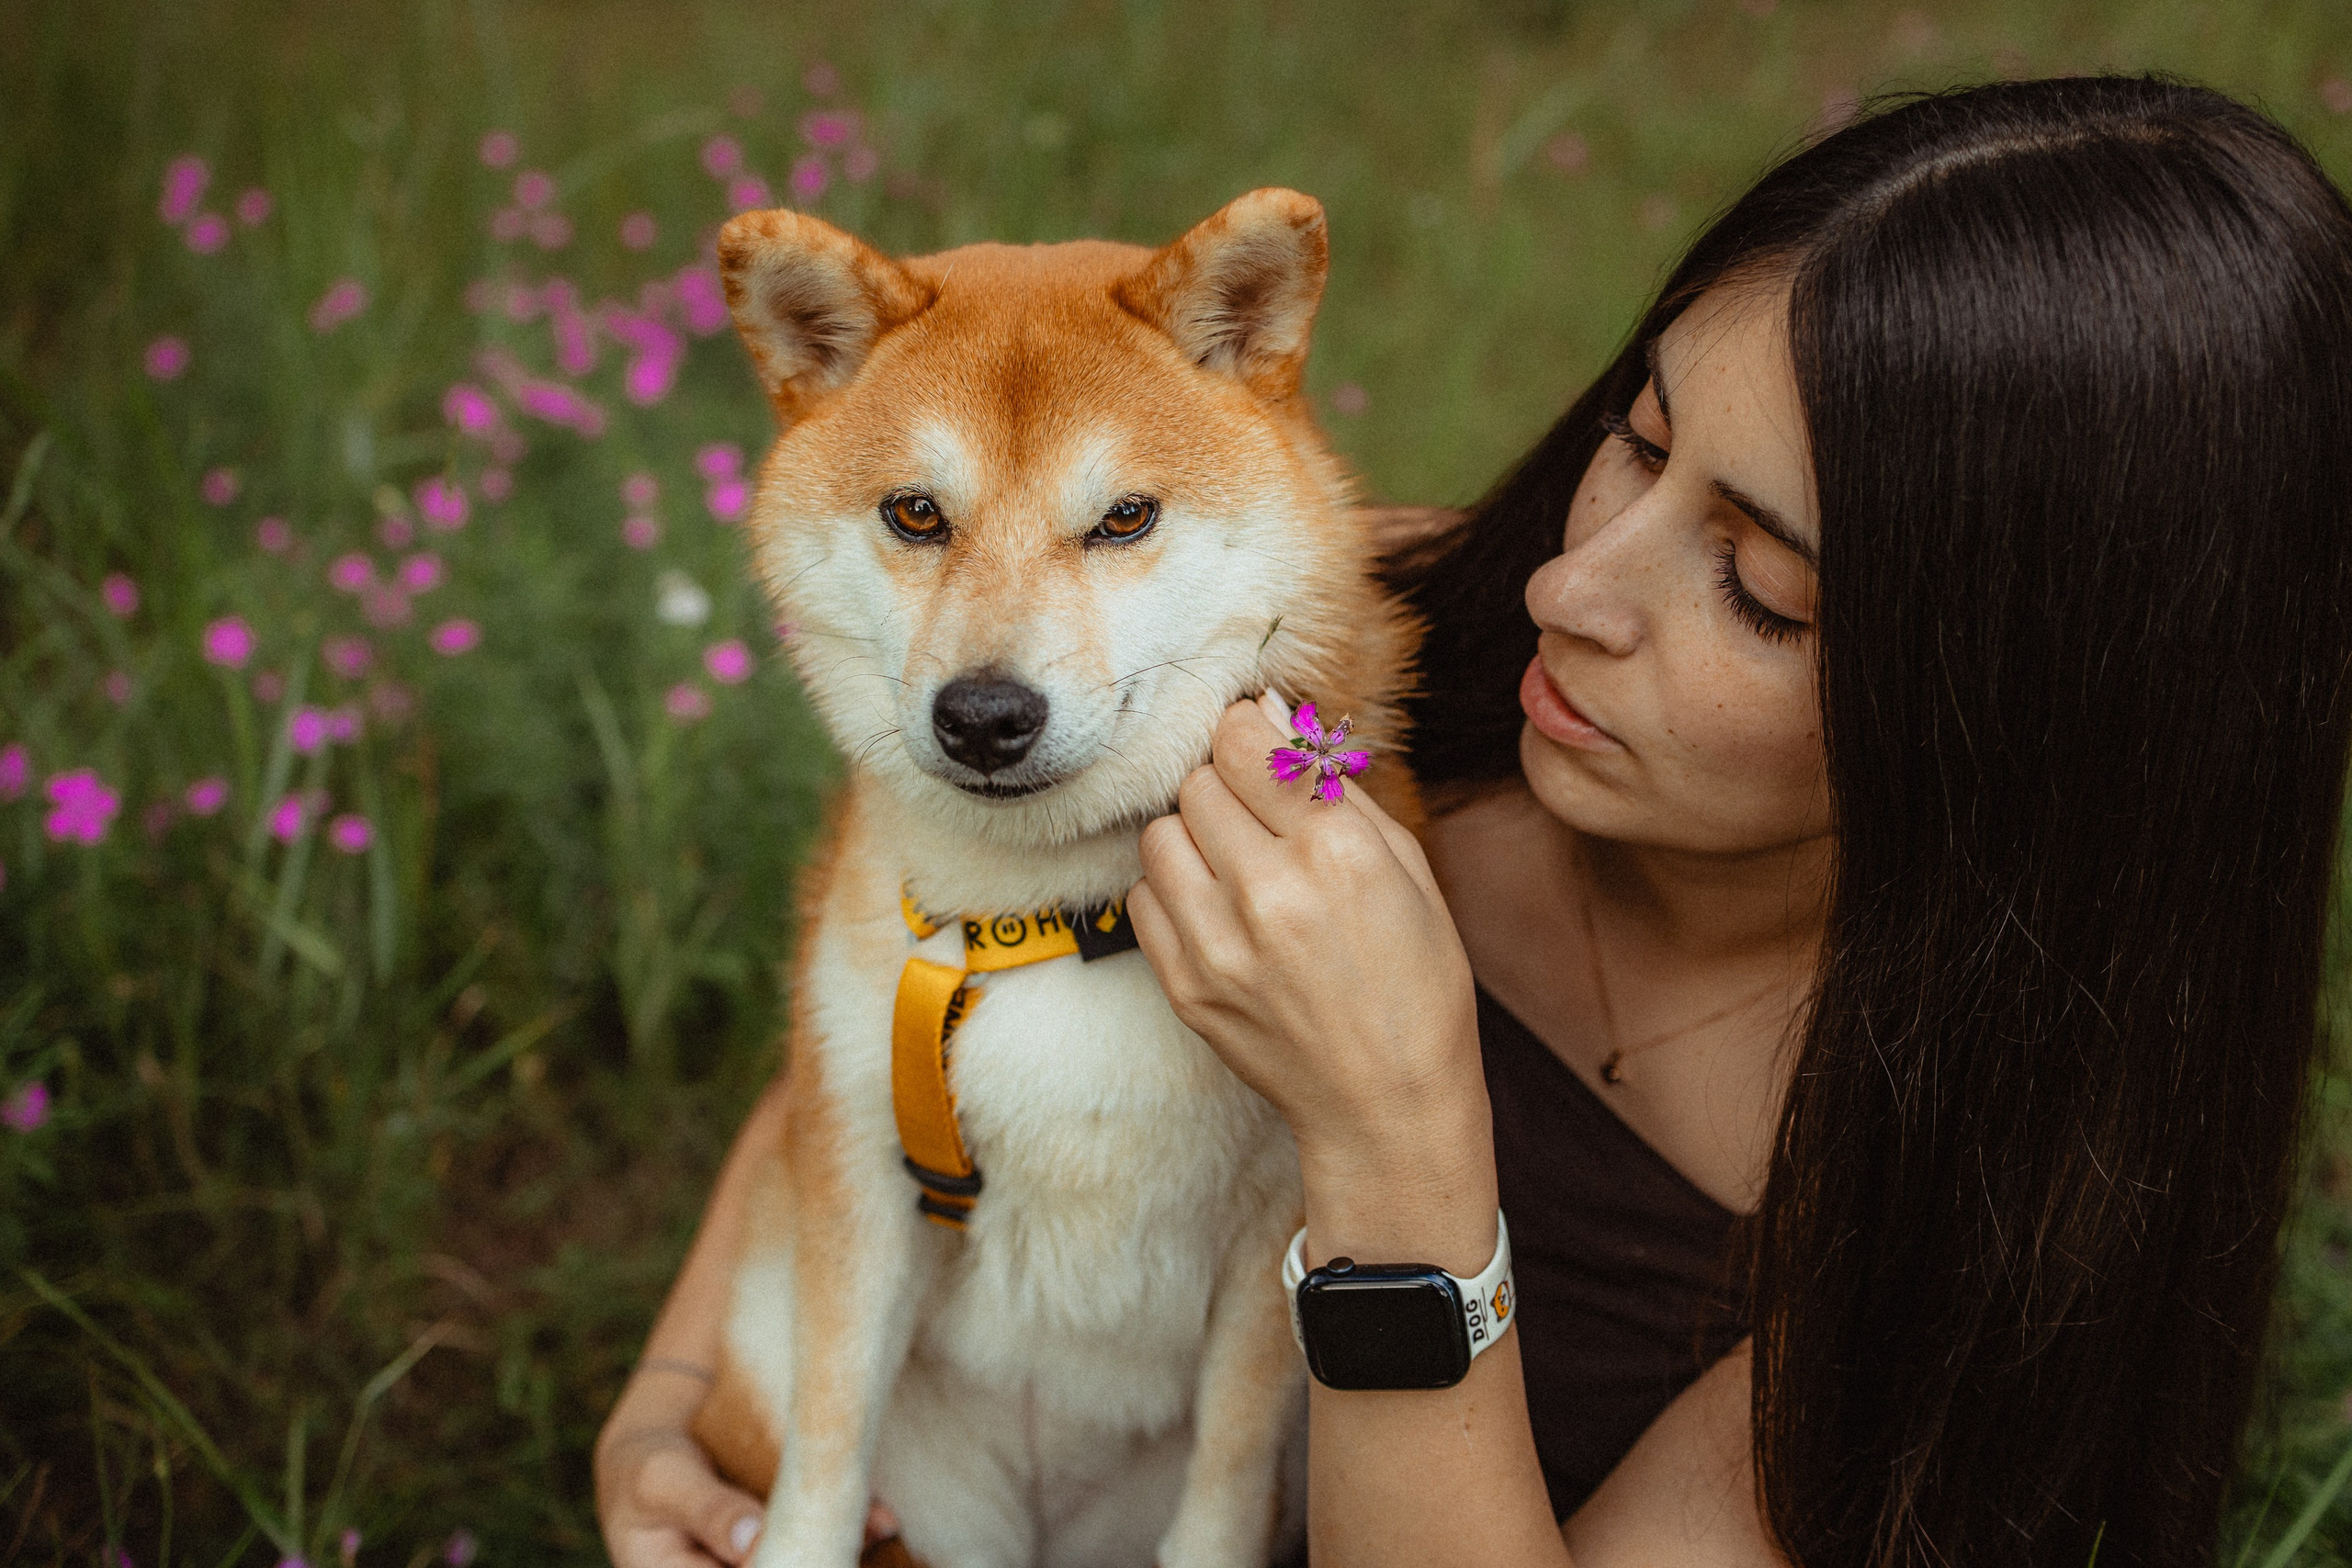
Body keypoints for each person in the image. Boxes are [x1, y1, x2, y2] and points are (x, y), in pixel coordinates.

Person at [598, 76, 2352, 1568]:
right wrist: (674, 1406)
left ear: (2017, 715)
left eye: (1757, 587)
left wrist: (1391, 1127)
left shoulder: (1959, 1208)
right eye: (1638, 440)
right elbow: (917, 975)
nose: (1573, 584)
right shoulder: (1360, 635)